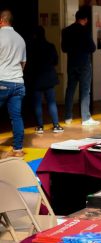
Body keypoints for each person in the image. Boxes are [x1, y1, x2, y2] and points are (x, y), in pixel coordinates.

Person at [61, 9, 99, 126]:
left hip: (72, 63)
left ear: (76, 18)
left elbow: (64, 49)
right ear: (85, 20)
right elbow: (93, 48)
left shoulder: (66, 31)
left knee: (70, 90)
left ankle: (68, 117)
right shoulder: (84, 31)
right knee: (85, 91)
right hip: (84, 64)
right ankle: (86, 118)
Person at [27, 26, 64, 134]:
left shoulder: (31, 47)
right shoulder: (50, 46)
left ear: (34, 35)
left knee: (37, 103)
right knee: (51, 102)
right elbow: (55, 61)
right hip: (48, 77)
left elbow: (29, 63)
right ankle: (56, 125)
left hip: (36, 78)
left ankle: (40, 127)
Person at [0, 9, 27, 158]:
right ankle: (18, 150)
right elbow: (23, 63)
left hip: (2, 80)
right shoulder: (20, 38)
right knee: (16, 117)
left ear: (1, 20)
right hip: (18, 82)